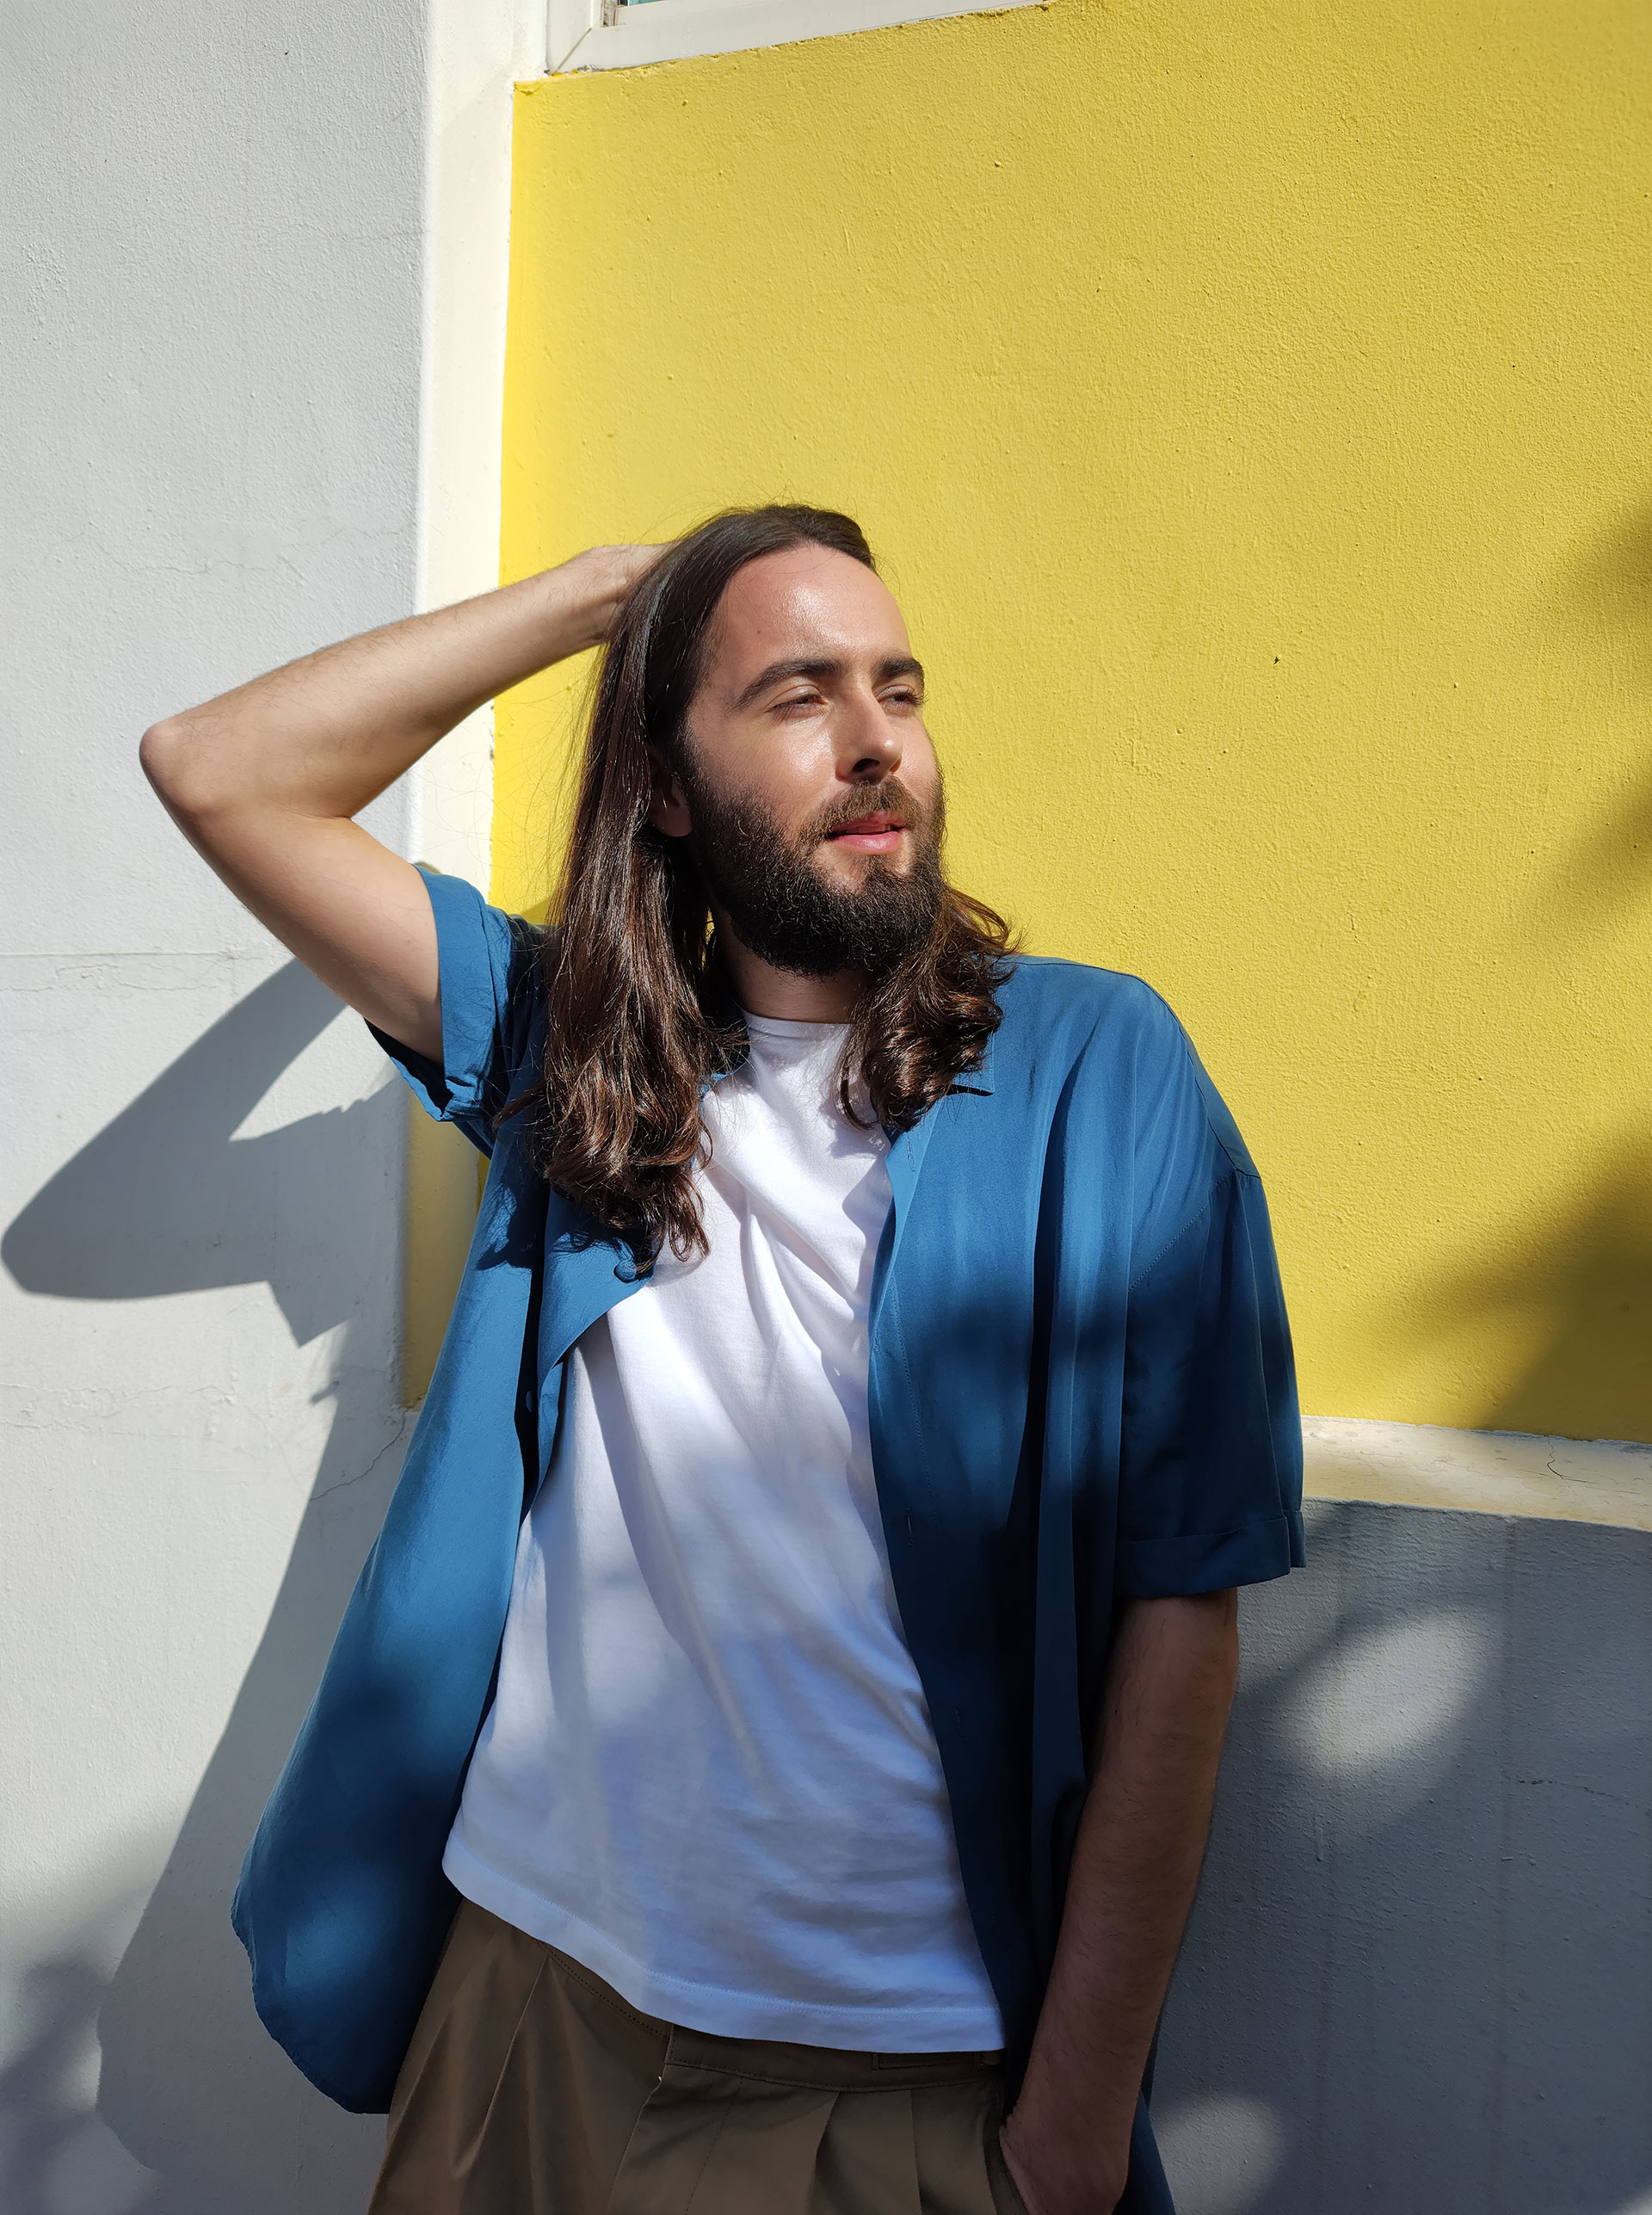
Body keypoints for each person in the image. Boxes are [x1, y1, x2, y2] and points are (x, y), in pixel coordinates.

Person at [140, 505, 1304, 2215]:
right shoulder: (588, 1061)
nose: (872, 742)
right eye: (795, 694)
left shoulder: (1097, 1069)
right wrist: (623, 593)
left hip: (900, 2078)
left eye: (899, 690)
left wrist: (1071, 2125)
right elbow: (220, 769)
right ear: (666, 782)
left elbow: (1181, 1614)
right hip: (529, 2010)